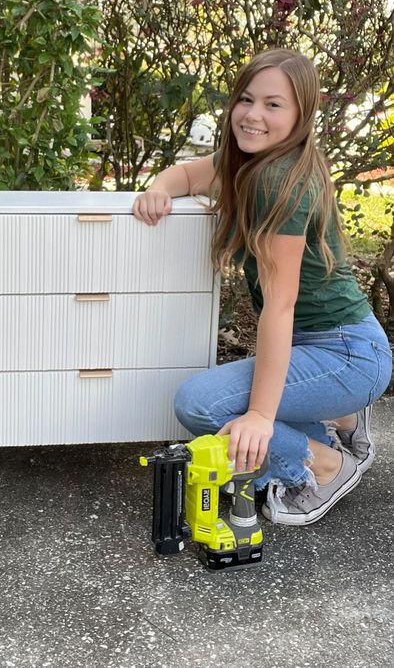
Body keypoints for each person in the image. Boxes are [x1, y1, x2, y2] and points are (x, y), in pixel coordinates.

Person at [132, 48, 392, 526]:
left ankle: (326, 464)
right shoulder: (246, 159)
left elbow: (280, 306)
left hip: (345, 353)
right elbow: (189, 173)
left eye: (273, 105)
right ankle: (340, 418)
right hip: (330, 349)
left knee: (202, 405)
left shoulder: (280, 179)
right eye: (246, 100)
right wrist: (157, 187)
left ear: (301, 115)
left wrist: (258, 416)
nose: (253, 115)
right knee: (220, 407)